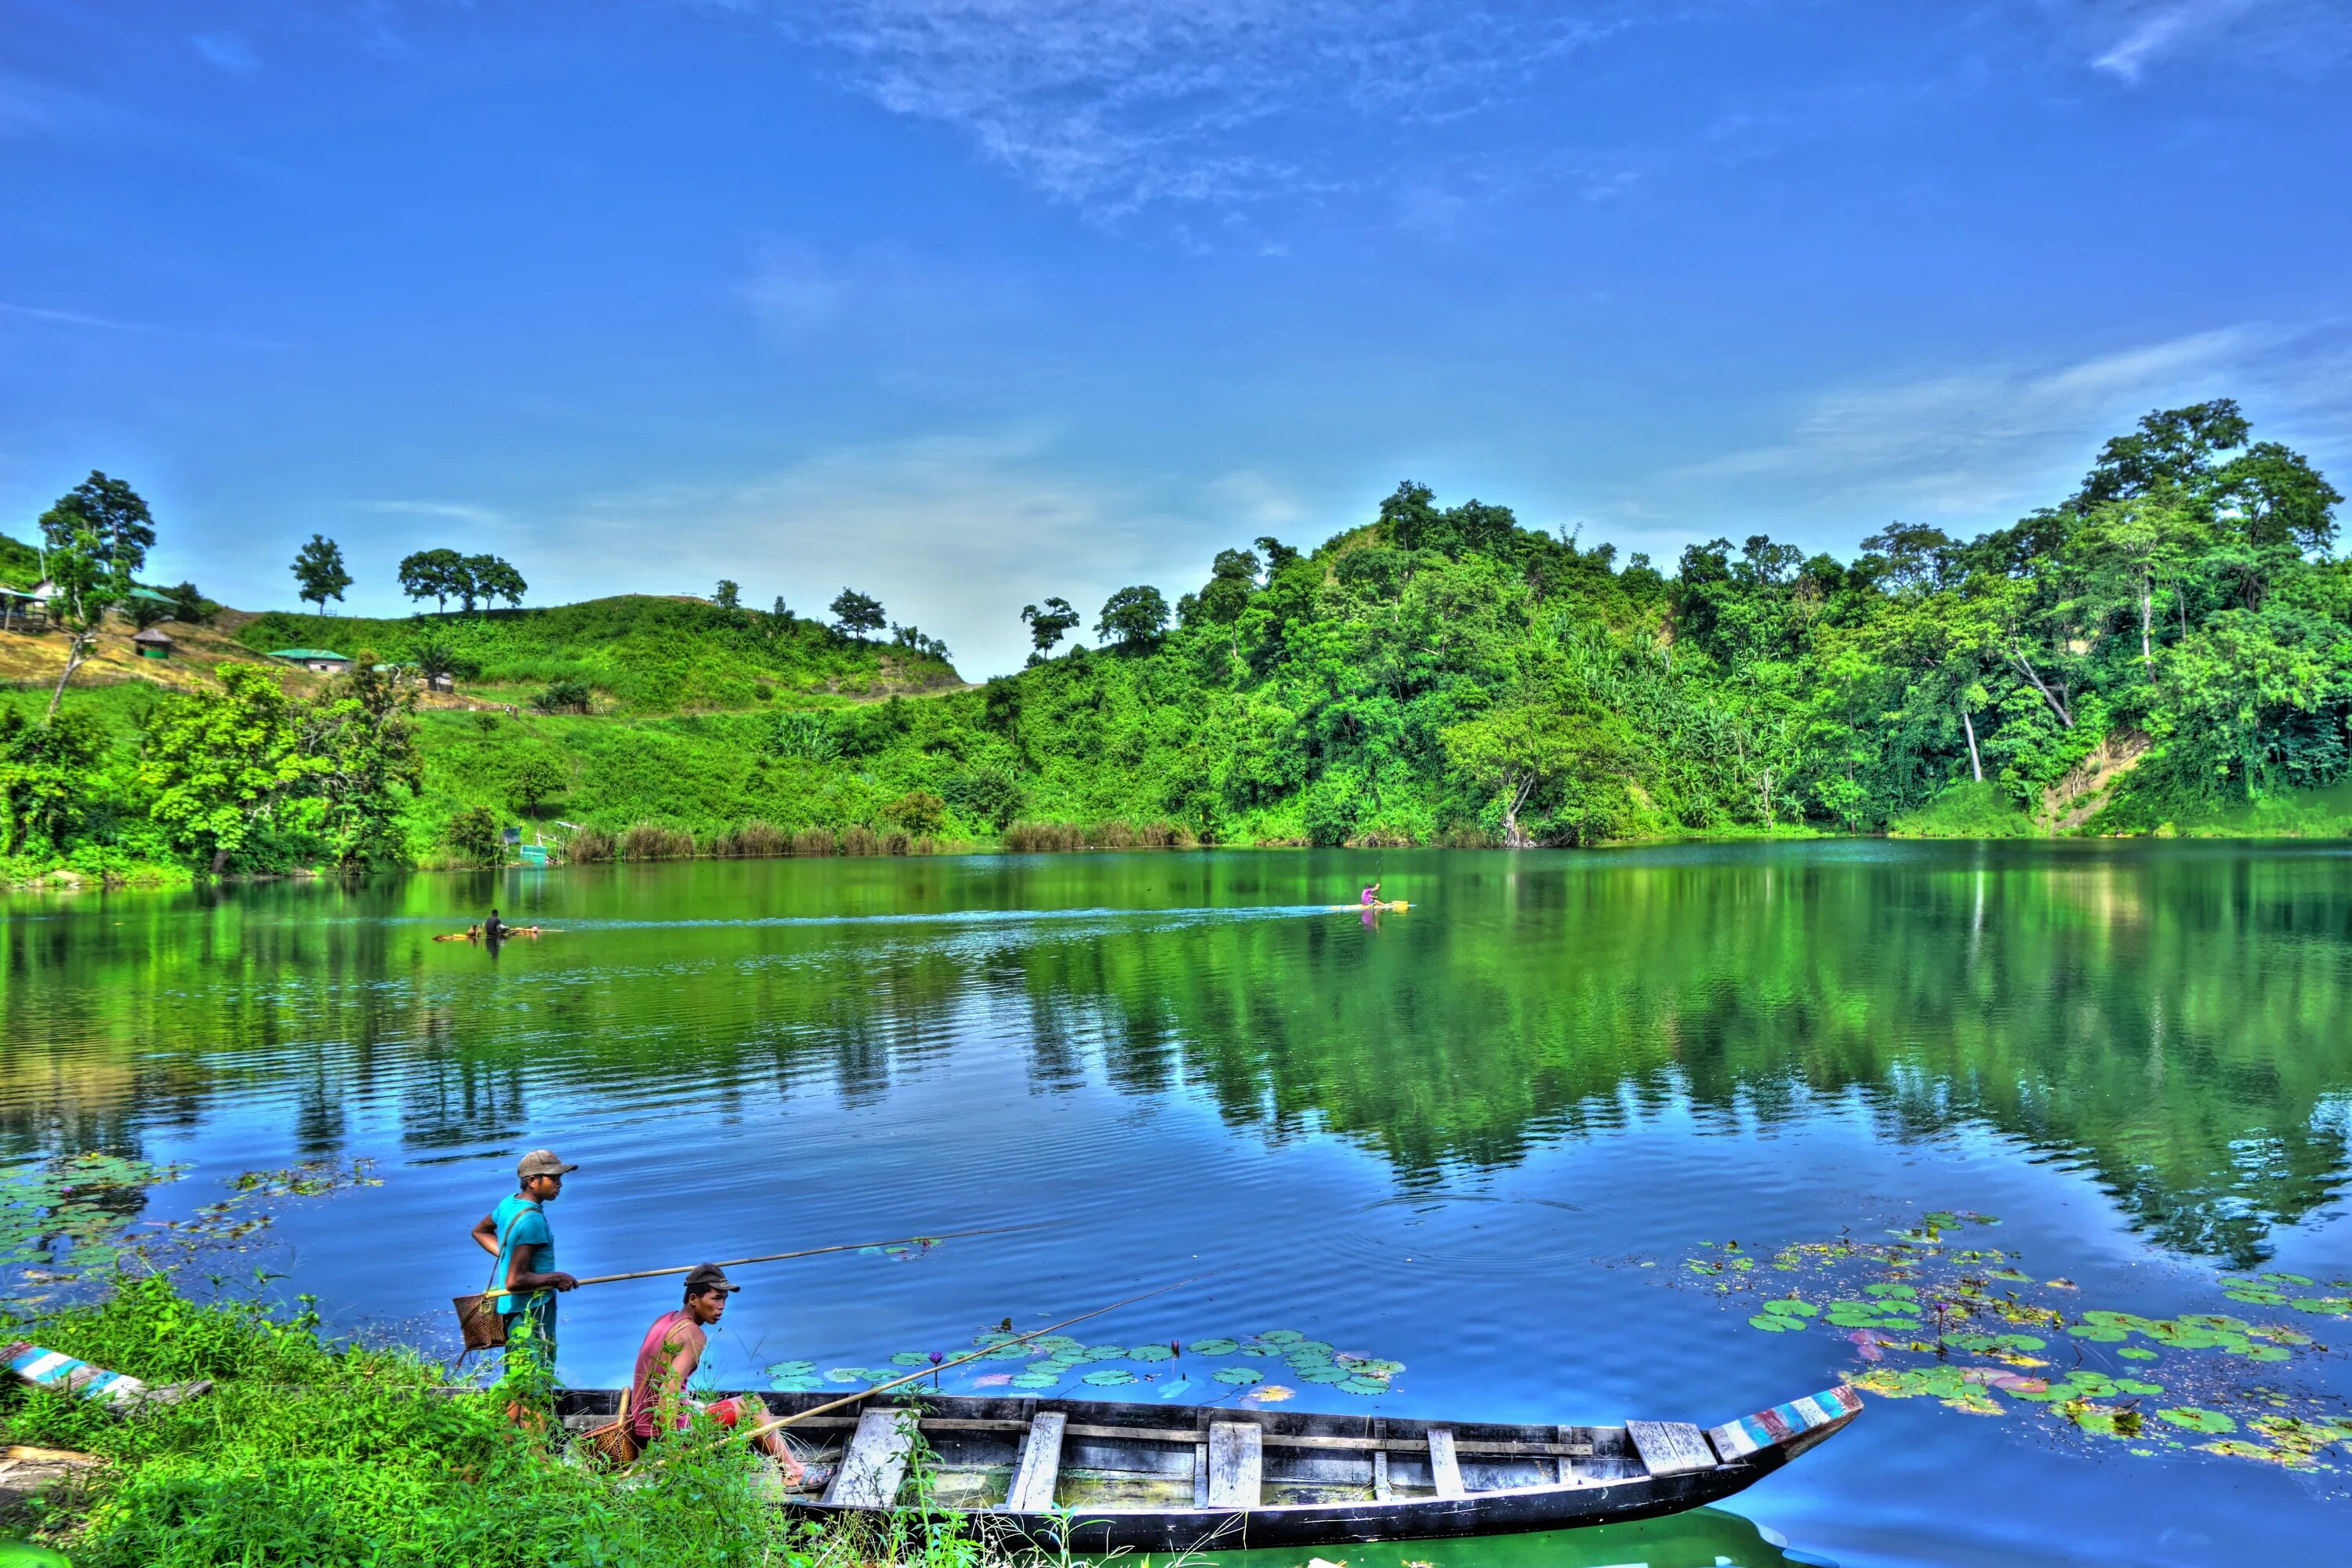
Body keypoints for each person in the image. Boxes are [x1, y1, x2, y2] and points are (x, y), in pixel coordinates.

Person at [627, 1264, 803, 1478]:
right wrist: (672, 1447)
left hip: (643, 1423)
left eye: (724, 1299)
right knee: (752, 1404)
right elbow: (668, 1389)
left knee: (705, 1404)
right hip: (663, 1433)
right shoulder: (693, 1334)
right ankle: (794, 1472)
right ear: (694, 1299)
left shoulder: (665, 1320)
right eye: (716, 1298)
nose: (722, 1306)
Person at [470, 1149, 579, 1359]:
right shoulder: (532, 1221)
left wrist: (506, 1255)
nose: (560, 1184)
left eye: (560, 1178)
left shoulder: (510, 1203)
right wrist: (556, 1277)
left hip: (513, 1308)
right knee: (538, 1368)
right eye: (553, 1178)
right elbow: (514, 1281)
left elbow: (480, 1231)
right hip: (532, 1309)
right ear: (532, 1181)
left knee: (518, 1369)